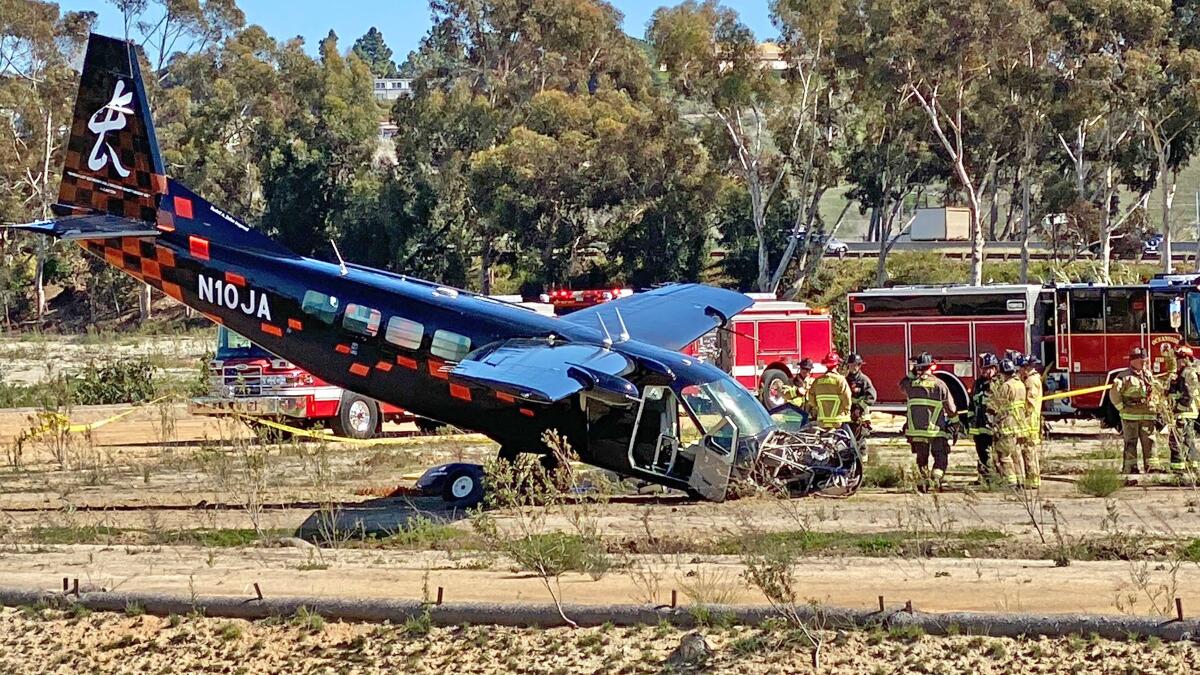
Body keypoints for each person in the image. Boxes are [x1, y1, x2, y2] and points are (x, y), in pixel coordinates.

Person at [900, 352, 956, 491]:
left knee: (922, 458)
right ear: (932, 366)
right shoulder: (939, 385)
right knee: (940, 455)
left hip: (916, 430)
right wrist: (955, 423)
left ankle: (923, 483)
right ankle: (936, 479)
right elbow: (950, 408)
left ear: (918, 367)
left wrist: (913, 372)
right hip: (935, 430)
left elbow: (901, 384)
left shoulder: (910, 384)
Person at [1110, 347, 1160, 474]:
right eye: (1141, 360)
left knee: (1150, 441)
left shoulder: (1148, 375)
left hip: (1147, 415)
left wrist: (1156, 405)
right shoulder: (1123, 377)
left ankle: (1151, 467)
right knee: (1131, 443)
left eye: (1145, 360)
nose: (1144, 363)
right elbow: (1114, 393)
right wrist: (1121, 408)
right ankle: (1131, 468)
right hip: (1130, 416)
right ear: (1132, 360)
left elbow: (1154, 391)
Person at [989, 358, 1028, 488]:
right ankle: (1021, 480)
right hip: (1020, 425)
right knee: (1017, 455)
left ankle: (1010, 481)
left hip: (1007, 425)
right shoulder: (1021, 384)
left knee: (1004, 454)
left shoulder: (1006, 386)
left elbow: (996, 405)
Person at [967, 352, 999, 483]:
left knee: (995, 453)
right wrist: (969, 421)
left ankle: (995, 478)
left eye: (987, 368)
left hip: (993, 425)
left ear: (994, 368)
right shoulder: (978, 383)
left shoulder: (999, 384)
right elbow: (972, 404)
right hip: (979, 426)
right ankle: (984, 477)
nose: (984, 371)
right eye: (982, 369)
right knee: (981, 452)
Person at [1168, 345, 1200, 472]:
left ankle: (1178, 469)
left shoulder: (1187, 373)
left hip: (1184, 412)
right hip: (1188, 412)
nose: (1177, 361)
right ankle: (1193, 466)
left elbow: (1188, 395)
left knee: (1175, 440)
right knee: (1189, 441)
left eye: (1179, 358)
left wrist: (1177, 409)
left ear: (1187, 358)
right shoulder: (1184, 372)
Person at [843, 353, 877, 459]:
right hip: (848, 414)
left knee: (860, 439)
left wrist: (859, 407)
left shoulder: (864, 380)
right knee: (848, 437)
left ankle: (863, 462)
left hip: (861, 415)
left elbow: (872, 397)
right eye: (851, 365)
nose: (853, 367)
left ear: (860, 365)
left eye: (856, 365)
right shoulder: (844, 380)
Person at [808, 353, 852, 432]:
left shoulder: (817, 381)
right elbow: (847, 398)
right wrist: (847, 411)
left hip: (822, 421)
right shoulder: (840, 380)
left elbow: (810, 398)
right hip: (838, 420)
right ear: (837, 366)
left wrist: (816, 407)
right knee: (850, 441)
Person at [1019, 353, 1044, 490]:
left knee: (1029, 449)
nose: (1020, 371)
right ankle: (1031, 478)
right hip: (1030, 421)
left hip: (1030, 422)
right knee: (1028, 449)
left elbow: (1029, 403)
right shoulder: (1031, 379)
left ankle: (1033, 479)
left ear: (1027, 367)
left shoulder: (1031, 381)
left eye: (1022, 368)